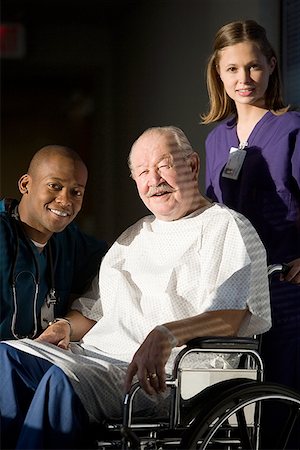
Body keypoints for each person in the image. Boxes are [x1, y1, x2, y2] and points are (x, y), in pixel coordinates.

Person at [0, 126, 271, 449]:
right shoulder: (133, 237)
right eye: (143, 171)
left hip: (169, 376)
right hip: (96, 357)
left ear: (193, 165)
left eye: (164, 165)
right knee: (8, 359)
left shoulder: (226, 227)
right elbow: (94, 310)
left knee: (62, 384)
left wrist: (166, 334)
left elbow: (232, 314)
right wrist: (66, 326)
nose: (153, 179)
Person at [202, 19, 300, 447]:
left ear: (272, 66)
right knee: (239, 406)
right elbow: (211, 216)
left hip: (287, 289)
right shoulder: (214, 141)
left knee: (287, 401)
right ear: (219, 75)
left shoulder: (293, 128)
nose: (244, 79)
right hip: (237, 294)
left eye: (254, 67)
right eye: (233, 69)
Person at [0, 145, 108, 341]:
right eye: (55, 186)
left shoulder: (70, 241)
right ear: (25, 184)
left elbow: (118, 267)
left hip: (40, 360)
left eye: (76, 192)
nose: (65, 200)